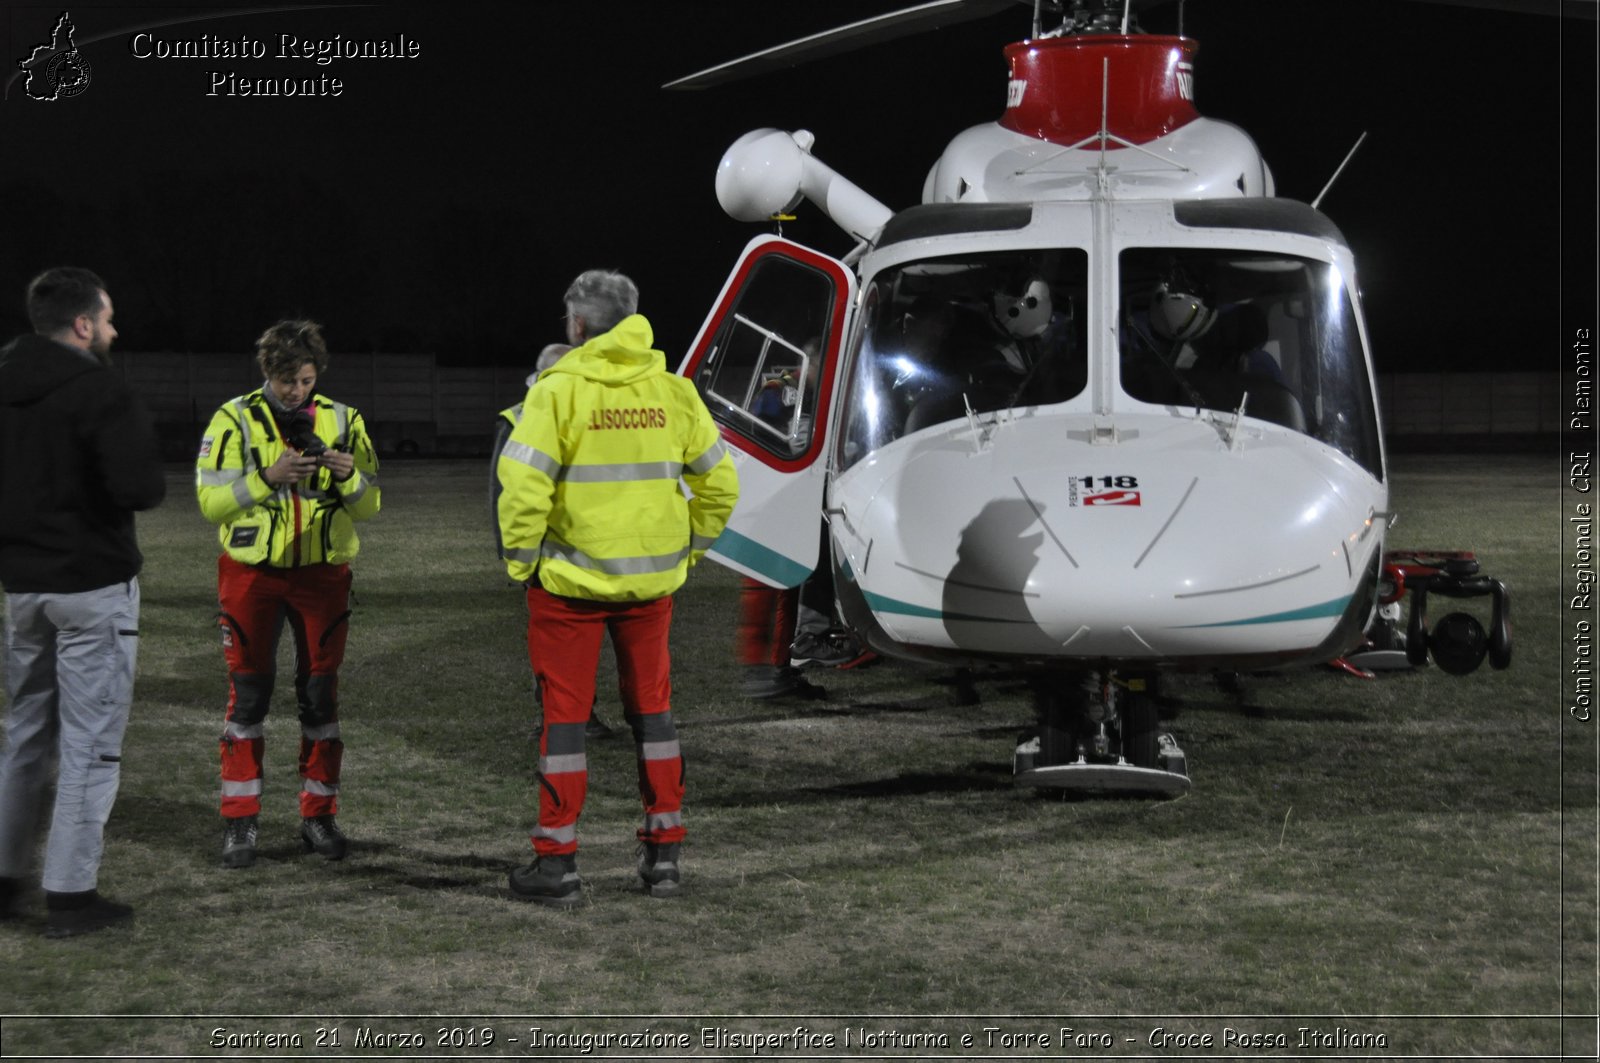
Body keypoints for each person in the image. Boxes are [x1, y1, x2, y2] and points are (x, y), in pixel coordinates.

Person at [496, 268, 738, 906]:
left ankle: (558, 864)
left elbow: (521, 488)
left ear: (577, 325)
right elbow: (721, 485)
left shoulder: (557, 391)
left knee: (565, 724)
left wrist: (522, 562)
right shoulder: (674, 391)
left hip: (568, 588)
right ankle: (664, 857)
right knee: (653, 716)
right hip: (650, 589)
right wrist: (689, 549)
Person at [0, 267, 166, 937]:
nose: (114, 329)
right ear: (82, 325)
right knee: (91, 745)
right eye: (108, 317)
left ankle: (6, 879)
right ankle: (70, 893)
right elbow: (140, 487)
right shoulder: (100, 389)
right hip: (91, 587)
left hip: (23, 587)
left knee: (24, 736)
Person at [195, 319, 380, 869]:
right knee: (247, 699)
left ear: (316, 373)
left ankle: (319, 818)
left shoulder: (346, 420)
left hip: (322, 577)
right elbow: (210, 503)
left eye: (304, 379)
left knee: (320, 699)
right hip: (251, 576)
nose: (296, 391)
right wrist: (268, 477)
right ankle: (240, 824)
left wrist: (348, 477)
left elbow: (370, 505)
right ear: (266, 374)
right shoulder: (232, 418)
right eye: (285, 381)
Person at [490, 342, 614, 739]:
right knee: (556, 645)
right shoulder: (520, 418)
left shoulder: (583, 411)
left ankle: (576, 714)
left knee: (576, 641)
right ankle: (560, 716)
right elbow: (501, 494)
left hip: (587, 546)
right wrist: (518, 558)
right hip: (549, 553)